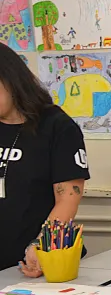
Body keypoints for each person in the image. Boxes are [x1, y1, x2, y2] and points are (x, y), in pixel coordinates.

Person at [0, 45, 89, 273]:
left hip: (35, 262)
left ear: (11, 80)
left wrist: (42, 246)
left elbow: (67, 199)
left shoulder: (57, 127)